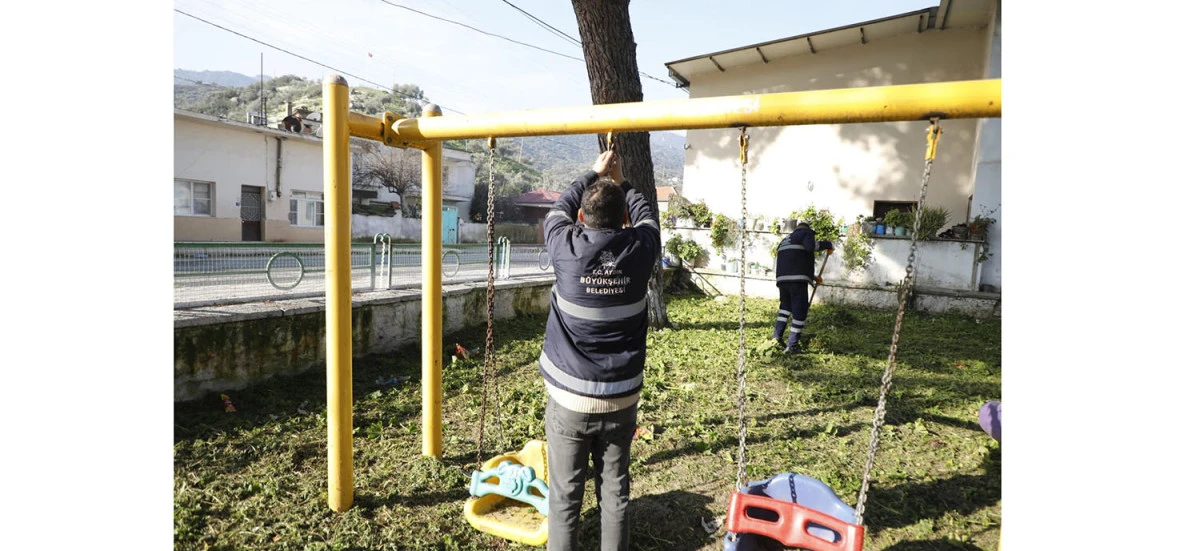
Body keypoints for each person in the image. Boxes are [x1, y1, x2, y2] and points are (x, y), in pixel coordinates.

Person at [539, 150, 659, 551]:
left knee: (565, 498)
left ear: (580, 219)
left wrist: (592, 172)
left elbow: (559, 207)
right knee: (614, 491)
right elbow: (648, 217)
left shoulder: (564, 246)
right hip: (621, 397)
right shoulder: (641, 248)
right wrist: (623, 182)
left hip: (568, 401)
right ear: (624, 219)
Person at [773, 220, 834, 353]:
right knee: (800, 311)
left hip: (782, 280)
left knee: (785, 308)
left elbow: (793, 260)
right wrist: (828, 244)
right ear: (807, 229)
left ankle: (776, 338)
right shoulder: (806, 234)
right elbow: (810, 247)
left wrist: (811, 277)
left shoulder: (786, 239)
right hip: (797, 281)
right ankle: (792, 346)